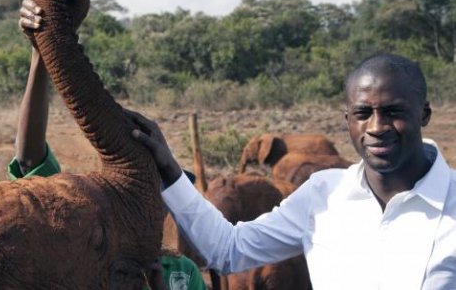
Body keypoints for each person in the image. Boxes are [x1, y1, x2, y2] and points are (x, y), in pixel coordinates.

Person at [130, 53, 456, 289]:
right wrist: (169, 168)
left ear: (424, 114)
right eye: (362, 113)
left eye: (393, 112)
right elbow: (228, 249)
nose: (376, 127)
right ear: (347, 120)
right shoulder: (325, 195)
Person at [10, 0, 207, 290]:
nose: (154, 204)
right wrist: (41, 55)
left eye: (161, 191)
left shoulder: (180, 273)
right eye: (142, 191)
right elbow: (29, 159)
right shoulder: (76, 255)